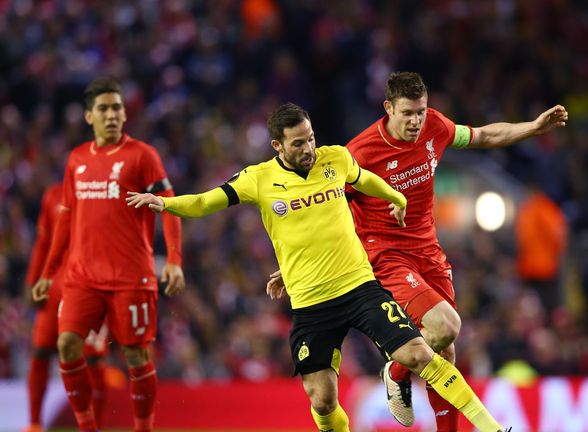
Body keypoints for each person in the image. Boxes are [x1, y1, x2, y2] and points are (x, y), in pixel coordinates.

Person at [126, 103, 512, 432]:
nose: (309, 147)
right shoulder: (258, 179)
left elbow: (366, 179)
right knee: (323, 399)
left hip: (360, 288)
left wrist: (396, 196)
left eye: (310, 137)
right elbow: (206, 201)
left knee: (419, 354)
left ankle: (490, 427)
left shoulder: (336, 158)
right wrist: (166, 204)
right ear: (277, 145)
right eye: (298, 143)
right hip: (312, 305)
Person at [342, 71, 568, 429]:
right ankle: (397, 371)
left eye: (421, 111)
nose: (416, 121)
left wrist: (533, 127)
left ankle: (406, 378)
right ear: (388, 108)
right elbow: (326, 206)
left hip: (428, 250)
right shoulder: (360, 153)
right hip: (386, 254)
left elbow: (484, 135)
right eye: (407, 113)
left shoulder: (435, 126)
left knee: (445, 352)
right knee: (446, 326)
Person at [32, 78, 186, 432]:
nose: (112, 114)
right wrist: (47, 272)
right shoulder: (77, 159)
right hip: (82, 278)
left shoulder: (142, 156)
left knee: (135, 355)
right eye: (103, 109)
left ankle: (143, 427)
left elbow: (169, 205)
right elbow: (66, 219)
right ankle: (88, 427)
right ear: (89, 116)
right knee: (67, 344)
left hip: (131, 276)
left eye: (117, 107)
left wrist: (174, 259)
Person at [24, 182, 110, 432]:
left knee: (93, 360)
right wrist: (33, 281)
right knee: (40, 352)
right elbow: (43, 242)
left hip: (91, 286)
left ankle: (97, 427)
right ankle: (34, 423)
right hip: (54, 289)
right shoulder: (52, 195)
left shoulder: (107, 192)